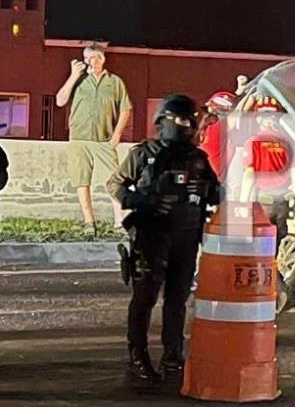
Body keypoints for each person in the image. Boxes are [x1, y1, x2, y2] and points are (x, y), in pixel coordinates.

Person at [106, 94, 219, 383]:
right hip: (151, 234)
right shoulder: (145, 153)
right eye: (181, 120)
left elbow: (217, 194)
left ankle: (173, 356)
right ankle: (138, 356)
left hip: (187, 236)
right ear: (164, 120)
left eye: (190, 120)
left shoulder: (198, 158)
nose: (187, 125)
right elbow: (116, 184)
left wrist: (205, 188)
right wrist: (142, 201)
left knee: (177, 299)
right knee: (145, 298)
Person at [56, 42, 132, 231]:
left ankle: (119, 221)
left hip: (104, 139)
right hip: (79, 139)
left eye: (94, 57)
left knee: (115, 180)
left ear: (102, 59)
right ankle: (89, 222)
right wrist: (73, 75)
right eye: (87, 57)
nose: (90, 61)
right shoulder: (78, 80)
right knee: (82, 180)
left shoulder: (114, 82)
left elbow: (125, 109)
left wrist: (116, 135)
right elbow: (60, 101)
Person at [236, 96, 295, 253]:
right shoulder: (286, 143)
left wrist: (243, 203)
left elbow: (249, 175)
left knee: (261, 246)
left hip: (264, 203)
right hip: (283, 202)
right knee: (279, 242)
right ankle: (275, 271)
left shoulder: (253, 143)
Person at [197, 90, 238, 182]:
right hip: (218, 180)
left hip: (207, 178)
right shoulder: (217, 129)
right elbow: (238, 115)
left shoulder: (205, 129)